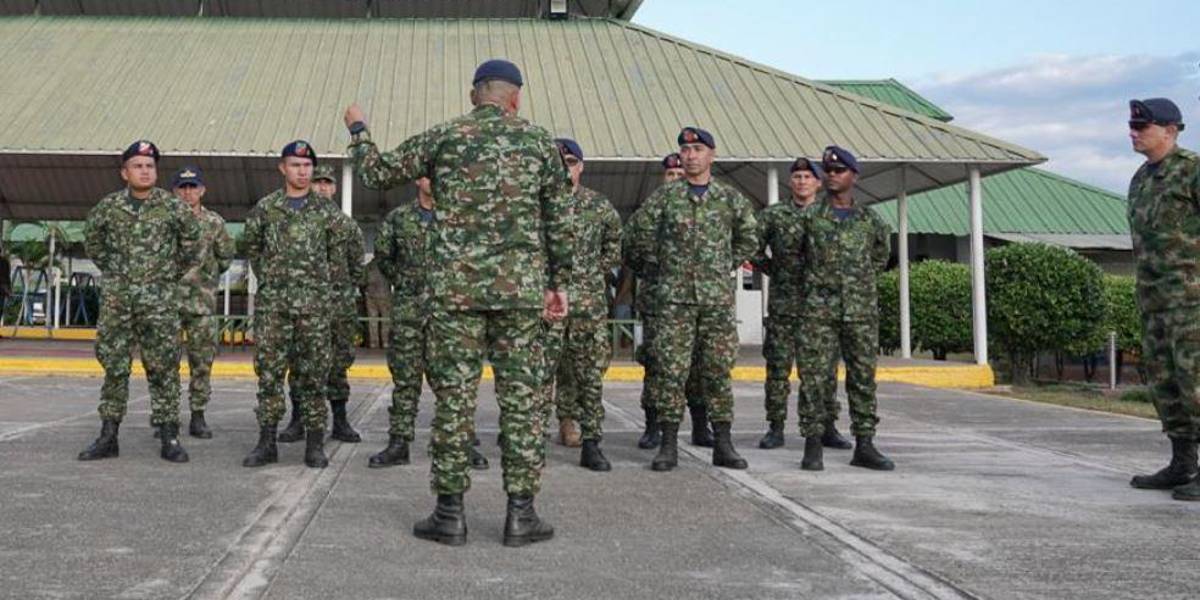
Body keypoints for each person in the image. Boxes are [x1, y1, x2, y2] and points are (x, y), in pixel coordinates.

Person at [344, 58, 574, 546]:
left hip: (455, 295)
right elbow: (560, 222)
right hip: (519, 295)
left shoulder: (445, 137)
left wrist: (359, 130)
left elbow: (378, 172)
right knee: (523, 403)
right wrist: (560, 283)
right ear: (515, 98)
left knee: (454, 402)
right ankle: (521, 515)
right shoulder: (539, 143)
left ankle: (450, 515)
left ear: (475, 95)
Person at [623, 127, 756, 472]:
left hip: (715, 302)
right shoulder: (665, 198)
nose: (691, 154)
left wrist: (723, 263)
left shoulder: (730, 199)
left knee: (717, 371)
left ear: (711, 155)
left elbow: (748, 238)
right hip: (673, 302)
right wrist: (660, 266)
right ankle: (668, 444)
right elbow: (636, 238)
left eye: (698, 149)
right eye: (685, 149)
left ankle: (722, 443)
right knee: (670, 371)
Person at [78, 140, 201, 463]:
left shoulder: (173, 206)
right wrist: (118, 273)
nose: (144, 171)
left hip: (159, 302)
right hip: (118, 302)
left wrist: (164, 275)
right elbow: (93, 241)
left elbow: (192, 245)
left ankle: (169, 435)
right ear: (124, 172)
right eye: (138, 166)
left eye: (149, 166)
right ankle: (108, 436)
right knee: (114, 367)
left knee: (163, 368)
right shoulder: (108, 207)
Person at [241, 141, 351, 469]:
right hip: (274, 307)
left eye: (307, 166)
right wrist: (276, 281)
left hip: (315, 309)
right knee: (270, 374)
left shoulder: (327, 212)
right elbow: (252, 248)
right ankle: (266, 442)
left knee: (315, 374)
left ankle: (315, 444)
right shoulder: (265, 209)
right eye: (295, 166)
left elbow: (338, 257)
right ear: (282, 168)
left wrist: (315, 288)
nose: (302, 172)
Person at [368, 177, 489, 471]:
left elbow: (479, 259)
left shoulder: (463, 217)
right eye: (427, 173)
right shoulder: (399, 218)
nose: (432, 180)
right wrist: (408, 284)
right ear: (417, 179)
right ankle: (399, 443)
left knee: (453, 383)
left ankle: (459, 443)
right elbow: (385, 258)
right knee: (405, 381)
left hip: (451, 314)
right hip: (410, 312)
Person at [795, 146, 894, 472]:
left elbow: (880, 258)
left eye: (839, 171)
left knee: (863, 378)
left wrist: (856, 286)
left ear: (854, 175)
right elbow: (795, 259)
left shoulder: (870, 221)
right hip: (818, 313)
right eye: (828, 171)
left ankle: (864, 444)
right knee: (814, 378)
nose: (832, 175)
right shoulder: (809, 218)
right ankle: (812, 445)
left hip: (860, 313)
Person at [1126, 97, 1200, 501]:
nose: (1134, 133)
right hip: (1155, 301)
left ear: (1171, 130)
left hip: (1192, 303)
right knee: (1167, 385)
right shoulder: (1141, 178)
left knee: (1197, 384)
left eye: (1143, 127)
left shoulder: (1192, 171)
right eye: (1133, 126)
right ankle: (1183, 463)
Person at [753, 157, 851, 451]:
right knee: (778, 369)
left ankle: (827, 426)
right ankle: (775, 426)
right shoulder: (774, 215)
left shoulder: (832, 214)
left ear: (819, 183)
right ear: (790, 182)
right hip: (784, 304)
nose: (802, 181)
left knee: (824, 371)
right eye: (797, 176)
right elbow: (751, 246)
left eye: (808, 176)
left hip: (821, 308)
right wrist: (774, 269)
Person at [630, 153, 713, 450]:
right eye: (670, 175)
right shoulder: (651, 210)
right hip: (659, 301)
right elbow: (632, 247)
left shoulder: (704, 211)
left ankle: (701, 426)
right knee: (658, 364)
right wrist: (657, 271)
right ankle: (653, 427)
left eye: (680, 175)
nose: (676, 179)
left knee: (700, 365)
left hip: (700, 300)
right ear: (662, 179)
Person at [277, 164, 365, 445]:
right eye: (318, 183)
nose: (323, 188)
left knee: (338, 363)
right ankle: (298, 419)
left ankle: (339, 420)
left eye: (328, 183)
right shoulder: (293, 223)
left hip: (338, 306)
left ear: (335, 188)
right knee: (300, 361)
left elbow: (357, 267)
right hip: (303, 303)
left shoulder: (347, 225)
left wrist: (337, 289)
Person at [550, 138, 622, 471]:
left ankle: (591, 440)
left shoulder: (598, 205)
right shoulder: (537, 204)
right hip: (546, 302)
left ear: (581, 166)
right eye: (558, 162)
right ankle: (532, 435)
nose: (565, 169)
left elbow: (614, 246)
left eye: (570, 162)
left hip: (587, 303)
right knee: (538, 372)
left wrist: (593, 273)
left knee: (589, 373)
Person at [173, 166, 235, 439]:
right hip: (168, 305)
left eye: (193, 187)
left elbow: (225, 257)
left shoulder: (214, 222)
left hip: (202, 304)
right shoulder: (165, 221)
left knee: (201, 363)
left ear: (202, 190)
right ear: (175, 191)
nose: (188, 193)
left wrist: (205, 278)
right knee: (164, 363)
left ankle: (198, 416)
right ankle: (167, 416)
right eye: (183, 188)